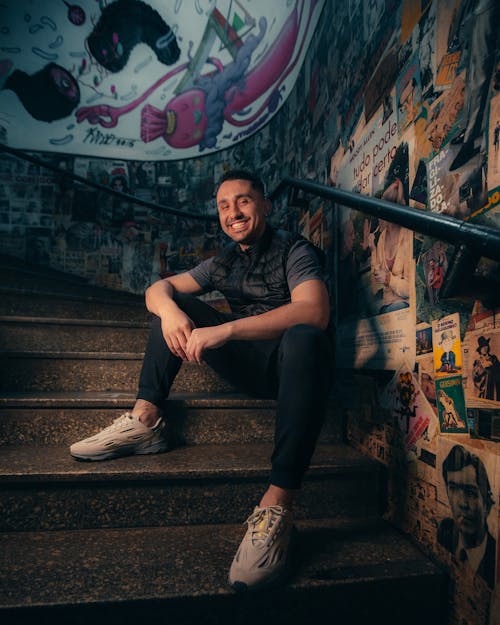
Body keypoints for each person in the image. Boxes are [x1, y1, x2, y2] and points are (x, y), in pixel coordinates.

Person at [70, 169, 333, 591]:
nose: (234, 212)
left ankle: (277, 506)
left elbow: (314, 311)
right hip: (249, 366)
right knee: (174, 308)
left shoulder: (294, 249)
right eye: (225, 206)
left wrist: (226, 329)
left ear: (266, 205)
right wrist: (172, 312)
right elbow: (158, 289)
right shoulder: (223, 261)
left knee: (304, 336)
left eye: (244, 201)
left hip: (295, 370)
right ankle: (146, 421)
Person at [438, 444, 496, 588]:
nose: (462, 503)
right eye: (453, 489)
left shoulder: (494, 560)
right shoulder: (445, 532)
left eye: (470, 493)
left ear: (487, 505)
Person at [364, 178, 412, 315]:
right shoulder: (382, 238)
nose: (379, 216)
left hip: (404, 304)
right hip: (386, 304)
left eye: (381, 210)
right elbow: (376, 282)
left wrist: (389, 279)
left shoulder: (407, 236)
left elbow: (410, 289)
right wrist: (373, 250)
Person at [472, 335, 500, 400]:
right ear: (480, 350)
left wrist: (491, 366)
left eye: (486, 346)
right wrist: (482, 369)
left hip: (495, 388)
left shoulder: (493, 358)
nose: (485, 348)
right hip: (484, 390)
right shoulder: (477, 362)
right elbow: (475, 378)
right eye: (482, 347)